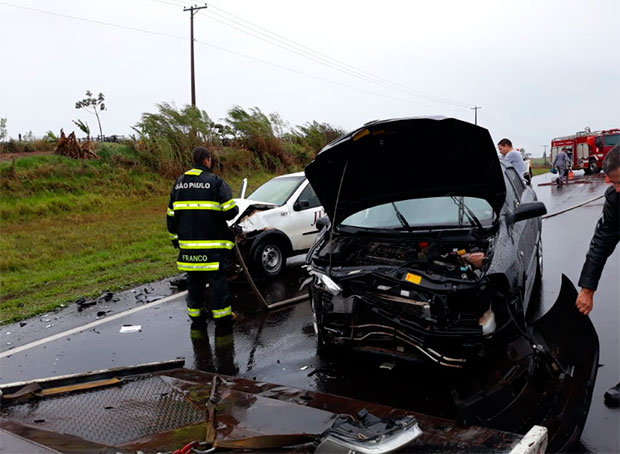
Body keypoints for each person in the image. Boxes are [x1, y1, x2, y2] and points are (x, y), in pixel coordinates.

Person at [167, 146, 239, 328]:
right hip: (212, 249)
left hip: (189, 250)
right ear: (207, 160)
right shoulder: (215, 182)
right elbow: (230, 211)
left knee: (194, 284)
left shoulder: (179, 183)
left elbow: (171, 215)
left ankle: (197, 318)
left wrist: (176, 241)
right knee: (217, 284)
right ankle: (222, 319)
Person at [575, 145, 620, 408]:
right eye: (613, 183)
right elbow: (602, 240)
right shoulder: (616, 199)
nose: (617, 189)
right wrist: (587, 289)